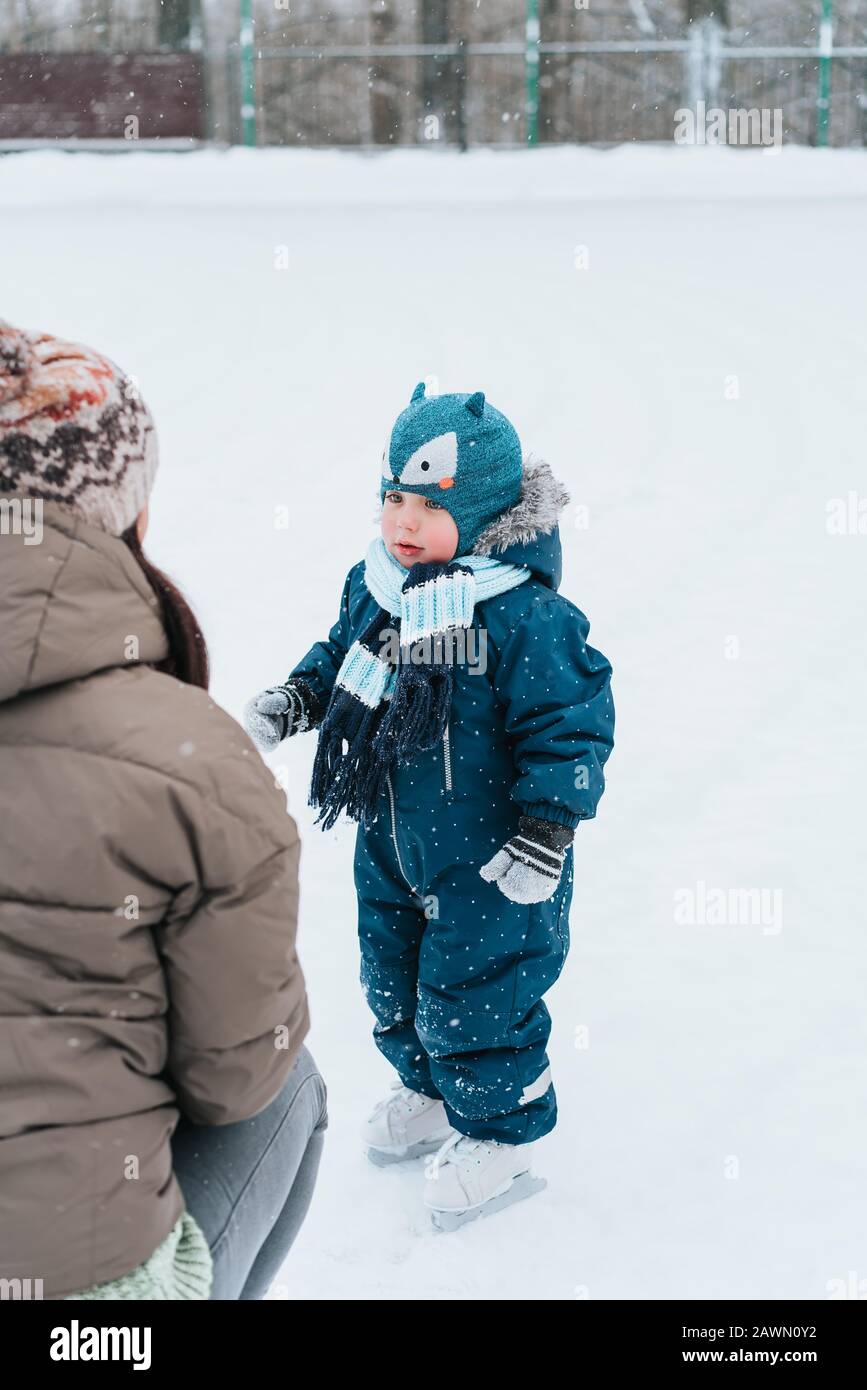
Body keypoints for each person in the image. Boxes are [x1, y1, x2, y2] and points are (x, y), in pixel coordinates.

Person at [0, 320, 326, 1299]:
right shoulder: (190, 761)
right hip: (68, 1295)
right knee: (285, 1085)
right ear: (120, 517)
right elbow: (236, 1073)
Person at [244, 382, 614, 1231]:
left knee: (477, 991)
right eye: (392, 499)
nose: (402, 522)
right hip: (390, 834)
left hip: (492, 857)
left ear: (483, 514)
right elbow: (339, 660)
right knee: (392, 976)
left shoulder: (523, 615)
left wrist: (546, 830)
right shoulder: (377, 587)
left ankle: (502, 1127)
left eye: (427, 505)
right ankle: (428, 1087)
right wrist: (297, 701)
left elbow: (571, 724)